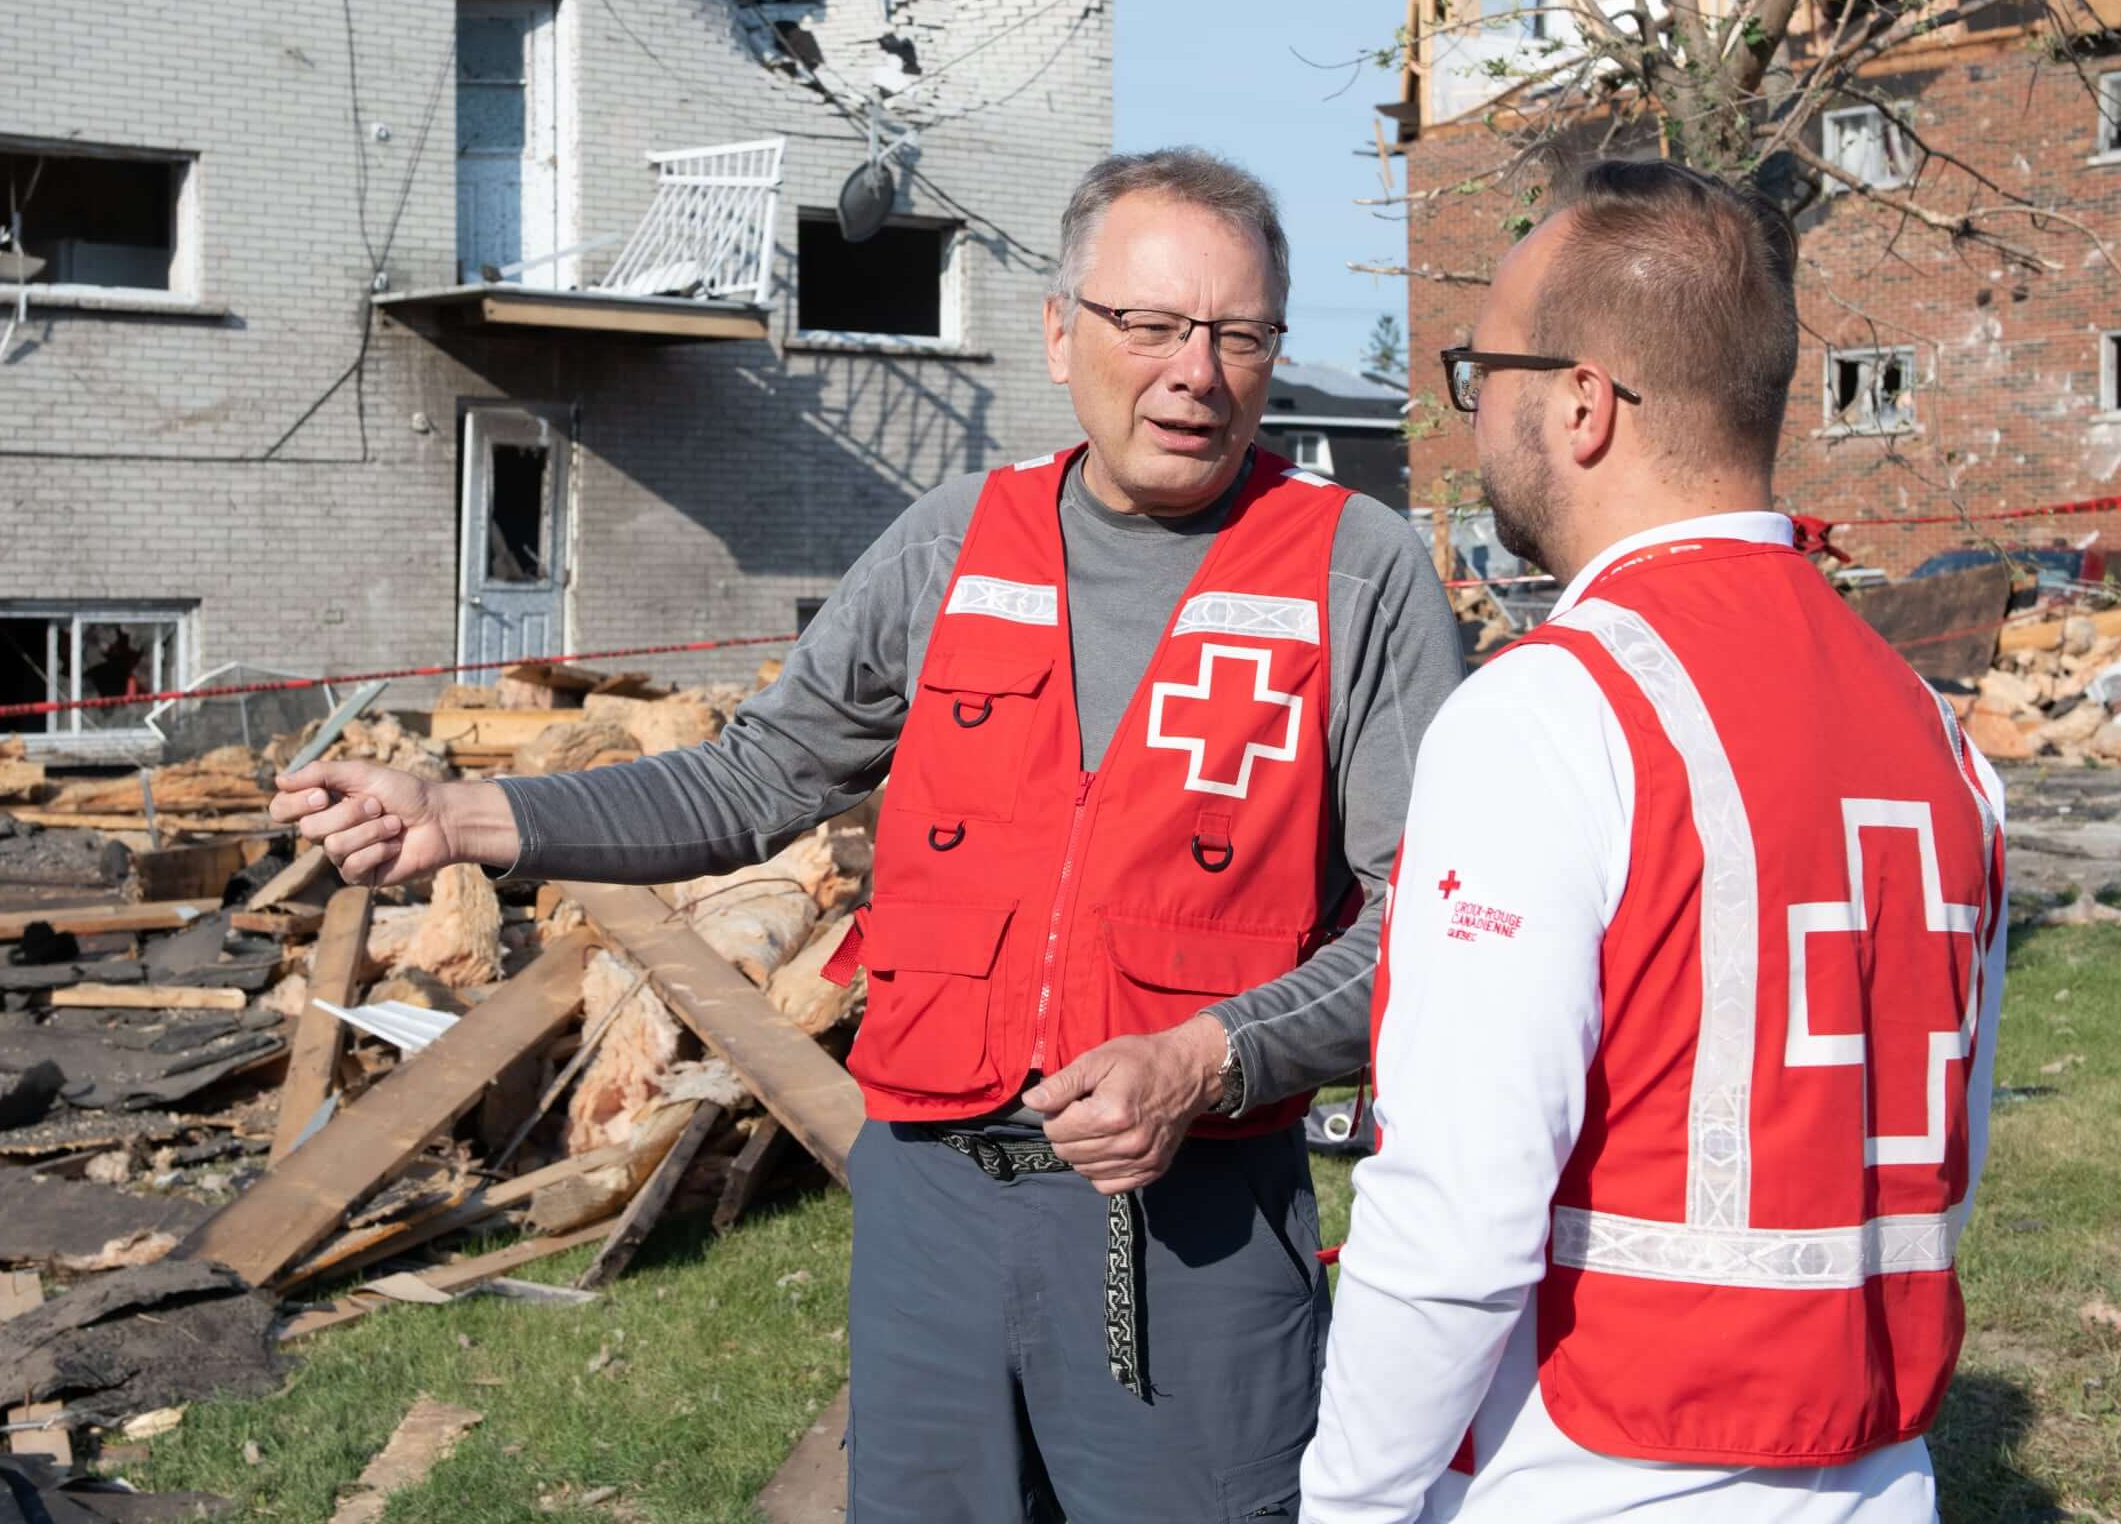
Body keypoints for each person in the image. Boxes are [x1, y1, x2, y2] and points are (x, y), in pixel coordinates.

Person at [278, 148, 1466, 1521]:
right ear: (1061, 330)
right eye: (1151, 325)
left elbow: (1428, 926)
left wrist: (1210, 1058)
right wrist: (467, 817)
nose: (1195, 370)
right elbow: (756, 777)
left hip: (1185, 1226)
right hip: (935, 1216)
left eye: (1239, 333)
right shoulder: (960, 539)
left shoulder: (1355, 572)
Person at [1299, 160, 2010, 1521]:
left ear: (1581, 403)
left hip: (1589, 1471)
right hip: (1872, 1476)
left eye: (1482, 372)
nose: (1472, 415)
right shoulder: (1934, 731)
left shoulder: (1551, 714)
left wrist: (1345, 1507)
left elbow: (1454, 1220)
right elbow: (1943, 1150)